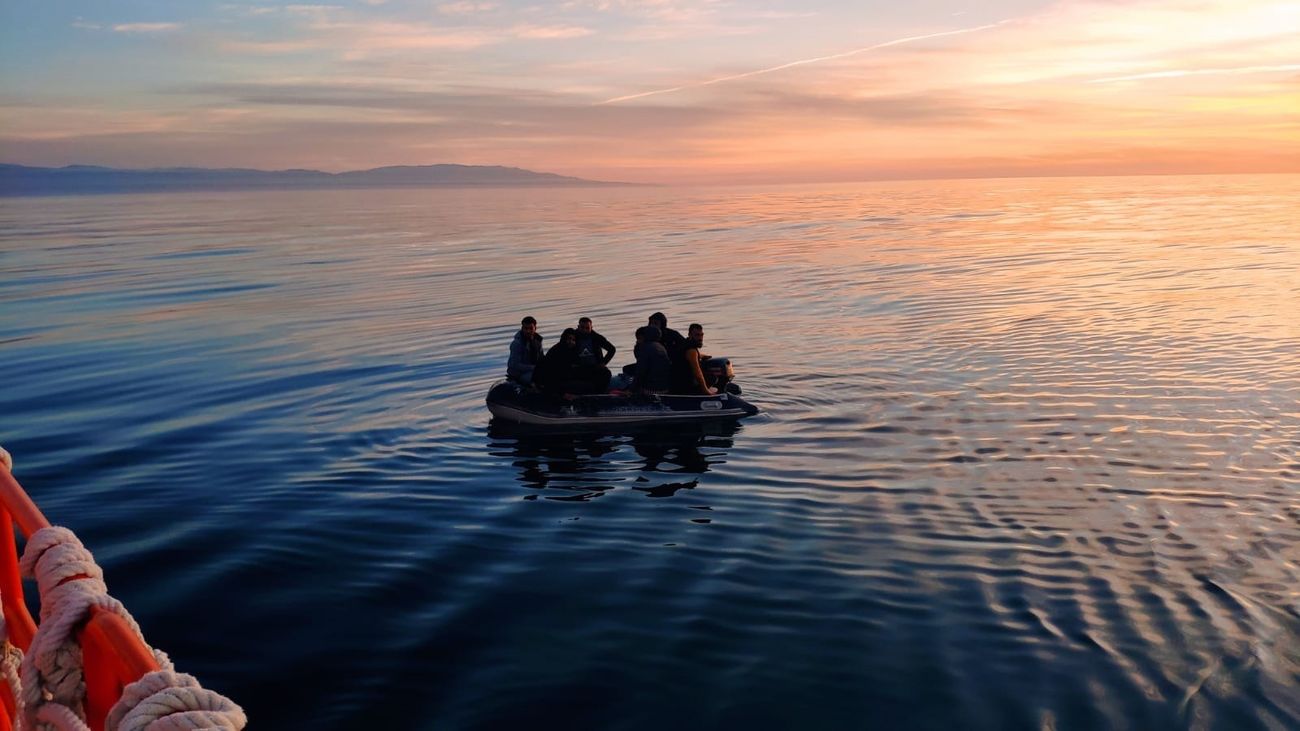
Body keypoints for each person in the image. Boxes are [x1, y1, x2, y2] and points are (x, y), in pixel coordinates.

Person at [671, 323, 717, 395]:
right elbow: (698, 374)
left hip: (676, 382)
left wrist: (701, 356)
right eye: (697, 335)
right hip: (683, 386)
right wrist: (707, 392)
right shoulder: (691, 351)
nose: (700, 338)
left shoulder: (685, 344)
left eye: (701, 335)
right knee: (712, 378)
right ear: (690, 335)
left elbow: (687, 356)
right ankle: (699, 393)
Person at [633, 325, 672, 394]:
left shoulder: (645, 348)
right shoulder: (660, 347)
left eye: (639, 338)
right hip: (665, 388)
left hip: (651, 390)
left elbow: (640, 372)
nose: (637, 341)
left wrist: (631, 389)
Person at [507, 316, 543, 385]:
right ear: (522, 328)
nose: (528, 331)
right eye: (526, 328)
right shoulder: (517, 344)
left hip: (532, 370)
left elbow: (541, 358)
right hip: (518, 374)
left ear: (535, 328)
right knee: (540, 378)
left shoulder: (538, 341)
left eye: (531, 328)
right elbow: (516, 365)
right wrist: (534, 368)